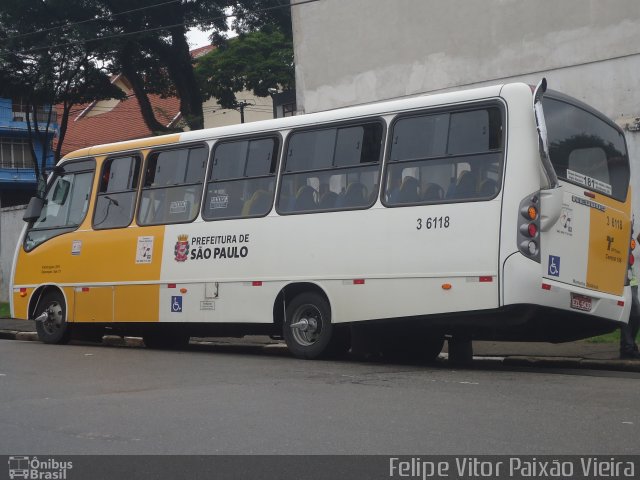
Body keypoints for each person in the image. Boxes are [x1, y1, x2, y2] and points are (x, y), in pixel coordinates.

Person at [621, 231, 640, 359]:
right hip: (623, 279)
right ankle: (627, 347)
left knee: (635, 313)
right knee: (631, 311)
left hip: (633, 278)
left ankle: (629, 345)